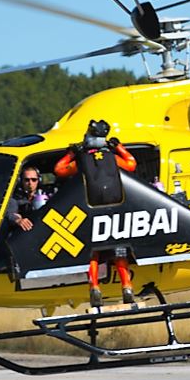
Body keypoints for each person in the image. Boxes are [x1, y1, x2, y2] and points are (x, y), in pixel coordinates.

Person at [55, 119, 139, 306]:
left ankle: (94, 286)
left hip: (92, 211)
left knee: (92, 252)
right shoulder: (112, 157)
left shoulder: (82, 160)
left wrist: (71, 154)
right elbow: (132, 164)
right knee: (119, 250)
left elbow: (59, 170)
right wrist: (120, 147)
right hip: (115, 210)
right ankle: (127, 286)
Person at [4, 168, 46, 232]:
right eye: (26, 180)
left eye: (34, 180)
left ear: (39, 180)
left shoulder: (47, 195)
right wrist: (18, 220)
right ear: (21, 181)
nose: (30, 183)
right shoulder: (15, 198)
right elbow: (10, 213)